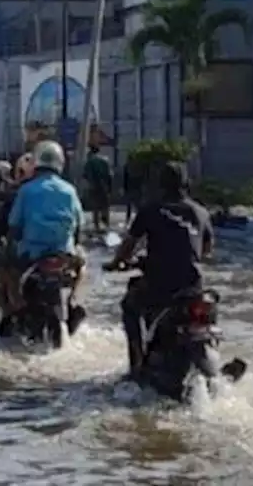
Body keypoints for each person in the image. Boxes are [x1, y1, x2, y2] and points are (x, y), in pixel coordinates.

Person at [103, 161, 213, 380]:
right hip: (193, 287)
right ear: (186, 183)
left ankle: (136, 366)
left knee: (129, 305)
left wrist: (116, 263)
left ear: (160, 185)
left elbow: (128, 245)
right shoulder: (201, 212)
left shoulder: (150, 209)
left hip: (159, 286)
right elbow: (208, 250)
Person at [2, 141, 86, 330]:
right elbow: (80, 227)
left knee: (5, 265)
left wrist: (13, 244)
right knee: (82, 265)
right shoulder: (70, 191)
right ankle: (74, 299)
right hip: (64, 254)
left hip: (31, 255)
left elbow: (14, 226)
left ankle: (16, 307)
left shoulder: (26, 190)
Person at [0, 152, 34, 333]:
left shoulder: (17, 195)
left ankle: (9, 313)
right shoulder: (63, 190)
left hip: (23, 253)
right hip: (58, 250)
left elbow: (3, 225)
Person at [82, 144, 114, 232]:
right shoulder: (105, 160)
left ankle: (97, 227)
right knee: (105, 206)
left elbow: (85, 175)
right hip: (104, 186)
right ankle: (107, 225)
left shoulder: (89, 162)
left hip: (94, 186)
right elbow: (110, 175)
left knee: (95, 207)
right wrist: (110, 188)